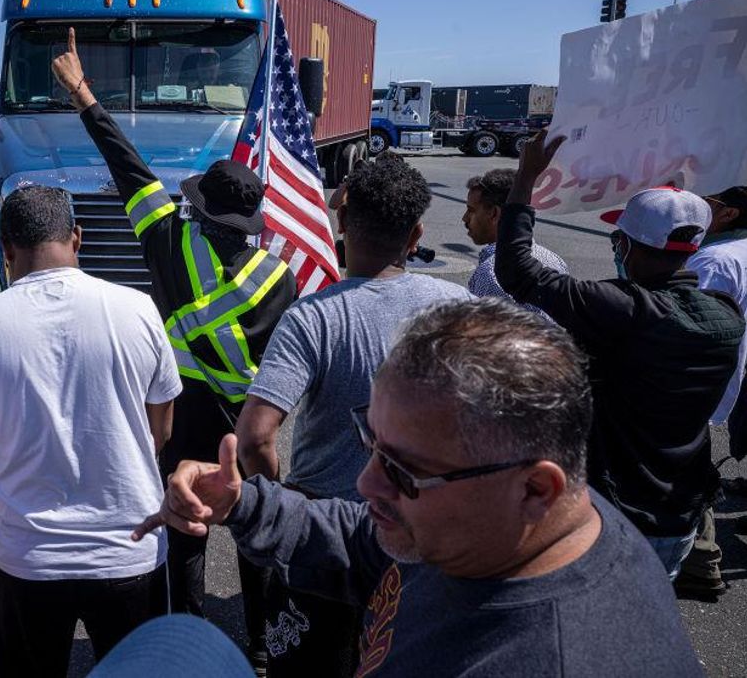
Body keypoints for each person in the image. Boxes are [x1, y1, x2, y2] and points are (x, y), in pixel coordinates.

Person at [134, 299, 704, 677]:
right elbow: (363, 541)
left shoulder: (557, 657)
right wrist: (242, 502)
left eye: (404, 470)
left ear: (536, 488)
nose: (366, 481)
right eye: (372, 443)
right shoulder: (492, 525)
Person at [53, 27, 295, 669]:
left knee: (186, 536)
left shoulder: (166, 238)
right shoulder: (279, 275)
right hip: (248, 427)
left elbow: (124, 160)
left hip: (185, 418)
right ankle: (265, 649)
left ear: (202, 207)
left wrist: (83, 93)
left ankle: (190, 647)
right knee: (257, 539)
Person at [233, 155, 470, 676]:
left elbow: (254, 438)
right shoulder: (460, 307)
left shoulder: (314, 317)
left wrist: (278, 500)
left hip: (325, 537)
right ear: (416, 235)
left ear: (342, 225)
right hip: (425, 531)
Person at [0, 185, 182, 677]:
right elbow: (159, 432)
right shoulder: (138, 309)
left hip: (28, 557)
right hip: (130, 549)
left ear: (6, 249)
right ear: (77, 238)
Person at [495, 131, 744, 579]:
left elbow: (517, 270)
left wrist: (526, 178)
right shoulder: (724, 316)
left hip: (614, 512)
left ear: (626, 247)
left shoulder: (624, 309)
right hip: (678, 515)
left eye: (617, 240)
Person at [677, 184, 747, 600]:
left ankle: (702, 560)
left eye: (710, 202)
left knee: (691, 465)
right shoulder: (733, 251)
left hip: (700, 382)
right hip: (729, 375)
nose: (700, 206)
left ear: (728, 214)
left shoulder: (715, 260)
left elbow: (686, 326)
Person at [462, 167, 567, 315]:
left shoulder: (490, 275)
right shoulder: (556, 261)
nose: (465, 218)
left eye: (471, 210)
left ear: (494, 214)